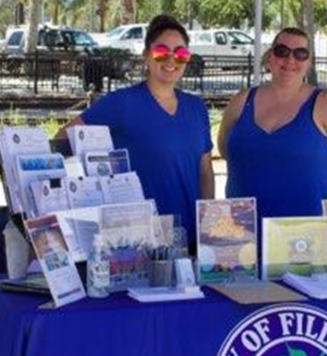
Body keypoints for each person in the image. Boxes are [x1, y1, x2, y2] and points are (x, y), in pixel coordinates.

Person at [62, 14, 214, 242]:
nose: (171, 60)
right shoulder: (122, 103)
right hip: (138, 241)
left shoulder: (197, 108)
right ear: (146, 56)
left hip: (190, 238)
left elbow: (205, 171)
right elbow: (64, 141)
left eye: (180, 53)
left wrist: (208, 224)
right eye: (162, 51)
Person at [218, 27, 327, 222]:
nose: (290, 60)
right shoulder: (241, 101)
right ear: (269, 56)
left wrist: (317, 181)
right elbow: (225, 149)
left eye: (300, 54)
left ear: (308, 63)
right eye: (282, 51)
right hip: (243, 231)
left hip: (305, 235)